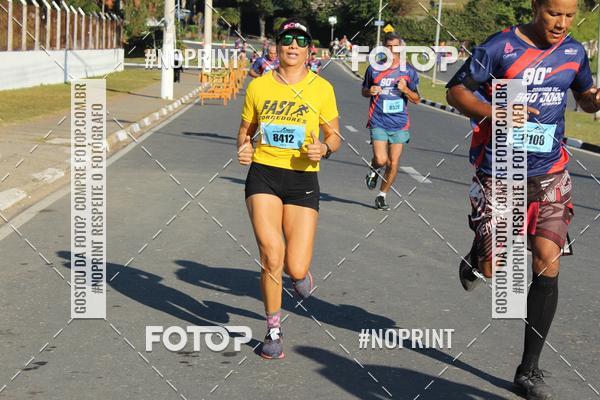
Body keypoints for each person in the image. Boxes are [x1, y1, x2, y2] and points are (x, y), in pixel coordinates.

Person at [446, 0, 600, 398]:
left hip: (550, 171)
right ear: (536, 7)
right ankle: (477, 257)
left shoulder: (574, 51)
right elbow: (456, 91)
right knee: (493, 267)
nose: (562, 23)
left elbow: (584, 97)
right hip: (501, 169)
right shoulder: (500, 47)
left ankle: (528, 371)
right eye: (553, 14)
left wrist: (594, 100)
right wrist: (496, 111)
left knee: (547, 260)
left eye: (569, 16)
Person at [237, 18, 341, 359]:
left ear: (309, 49)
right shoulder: (259, 87)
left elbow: (335, 136)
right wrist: (244, 147)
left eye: (300, 40)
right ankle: (273, 329)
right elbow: (245, 131)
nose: (293, 46)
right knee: (271, 254)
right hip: (264, 175)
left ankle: (299, 275)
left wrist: (324, 148)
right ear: (276, 46)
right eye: (286, 40)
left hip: (302, 181)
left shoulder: (322, 88)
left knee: (295, 267)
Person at [363, 32, 420, 210]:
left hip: (400, 123)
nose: (392, 50)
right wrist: (370, 91)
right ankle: (374, 169)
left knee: (393, 162)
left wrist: (406, 90)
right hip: (378, 120)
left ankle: (382, 195)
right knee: (381, 160)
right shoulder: (374, 69)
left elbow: (417, 99)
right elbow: (364, 90)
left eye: (395, 46)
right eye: (388, 47)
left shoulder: (408, 71)